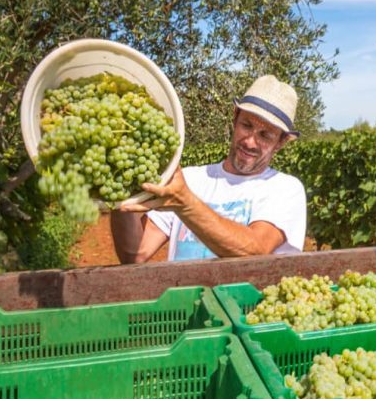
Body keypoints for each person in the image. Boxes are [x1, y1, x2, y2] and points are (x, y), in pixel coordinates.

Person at [110, 75, 306, 263]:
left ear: (281, 142)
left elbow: (255, 249)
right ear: (235, 117)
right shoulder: (190, 179)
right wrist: (120, 189)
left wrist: (185, 203)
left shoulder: (285, 189)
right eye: (246, 125)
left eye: (265, 136)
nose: (250, 142)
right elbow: (135, 254)